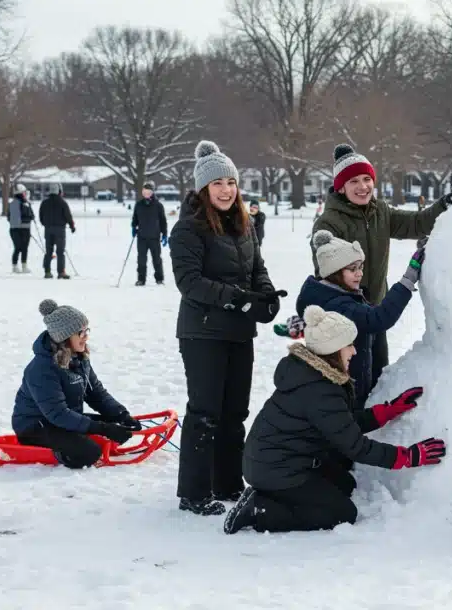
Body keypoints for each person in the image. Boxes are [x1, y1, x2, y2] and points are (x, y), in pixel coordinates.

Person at [224, 306, 445, 534]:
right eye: (349, 345)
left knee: (345, 485)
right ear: (332, 351)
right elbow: (355, 446)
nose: (354, 352)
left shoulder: (311, 374)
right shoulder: (319, 390)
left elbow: (340, 424)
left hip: (277, 460)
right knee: (342, 513)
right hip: (275, 469)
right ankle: (260, 510)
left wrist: (387, 411)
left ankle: (272, 495)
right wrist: (408, 457)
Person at [170, 140, 285, 516]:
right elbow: (190, 282)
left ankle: (228, 481)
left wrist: (265, 296)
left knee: (235, 411)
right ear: (204, 188)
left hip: (239, 332)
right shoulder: (188, 229)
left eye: (231, 182)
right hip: (202, 333)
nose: (226, 190)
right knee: (205, 411)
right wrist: (238, 299)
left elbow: (257, 269)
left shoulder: (244, 225)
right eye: (217, 183)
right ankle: (194, 491)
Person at [311, 144, 452, 385]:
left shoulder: (380, 212)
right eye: (354, 181)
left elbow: (417, 224)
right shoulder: (329, 223)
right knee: (351, 385)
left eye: (367, 179)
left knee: (376, 379)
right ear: (341, 186)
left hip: (375, 312)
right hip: (345, 320)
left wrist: (446, 203)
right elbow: (326, 271)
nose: (363, 187)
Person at [293, 230, 424, 406]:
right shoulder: (338, 305)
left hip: (346, 387)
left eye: (361, 266)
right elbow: (379, 318)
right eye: (352, 269)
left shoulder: (331, 294)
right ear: (334, 272)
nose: (360, 273)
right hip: (348, 392)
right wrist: (408, 279)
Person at [11, 299, 140, 469]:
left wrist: (121, 415)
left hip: (61, 421)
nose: (86, 336)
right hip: (36, 427)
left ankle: (74, 439)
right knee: (89, 452)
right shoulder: (42, 369)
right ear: (64, 337)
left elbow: (97, 394)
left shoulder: (79, 359)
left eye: (87, 330)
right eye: (80, 332)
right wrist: (102, 428)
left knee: (114, 425)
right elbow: (57, 413)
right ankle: (58, 453)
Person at [131, 181, 168, 286]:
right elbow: (135, 218)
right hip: (141, 237)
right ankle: (141, 279)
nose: (146, 194)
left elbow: (163, 221)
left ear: (152, 192)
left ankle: (159, 279)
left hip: (154, 237)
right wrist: (133, 227)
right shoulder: (139, 205)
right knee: (141, 260)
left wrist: (164, 234)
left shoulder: (158, 206)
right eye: (144, 192)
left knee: (157, 259)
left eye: (148, 192)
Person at [38, 182, 75, 279]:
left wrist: (45, 224)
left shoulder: (44, 203)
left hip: (48, 229)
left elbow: (41, 216)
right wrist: (72, 226)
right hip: (60, 230)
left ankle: (47, 271)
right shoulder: (62, 203)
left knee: (49, 251)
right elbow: (68, 216)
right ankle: (61, 272)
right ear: (59, 191)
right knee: (60, 252)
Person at [7, 183, 34, 274]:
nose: (25, 194)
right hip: (16, 230)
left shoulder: (26, 203)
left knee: (24, 248)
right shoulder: (15, 204)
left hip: (25, 229)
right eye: (24, 193)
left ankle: (24, 266)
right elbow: (14, 219)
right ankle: (15, 266)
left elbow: (31, 215)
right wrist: (27, 217)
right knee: (18, 247)